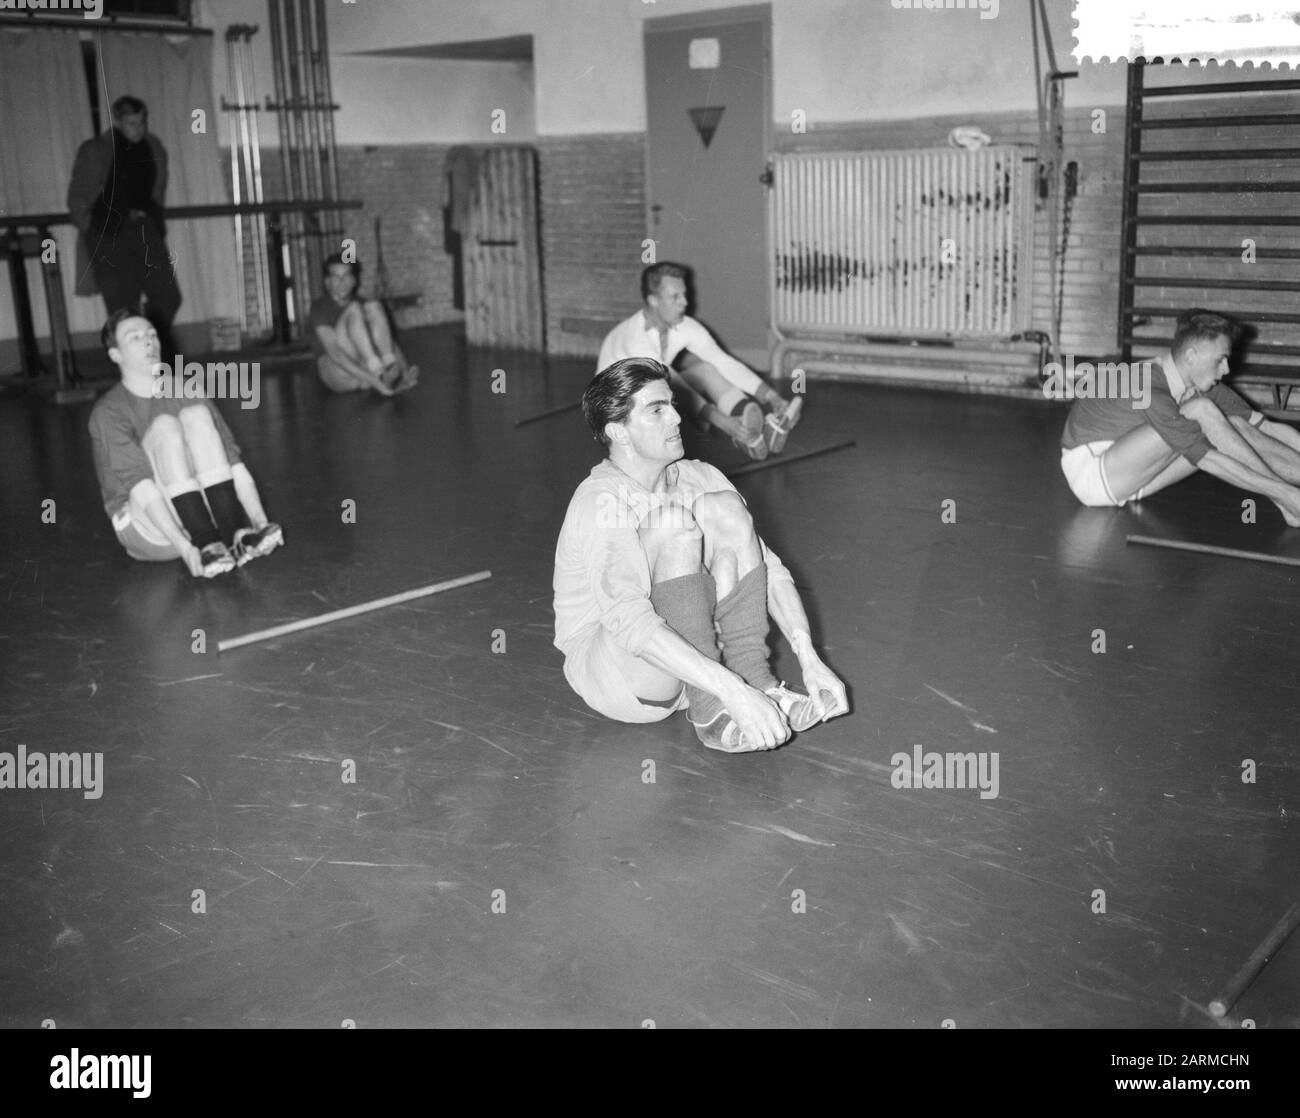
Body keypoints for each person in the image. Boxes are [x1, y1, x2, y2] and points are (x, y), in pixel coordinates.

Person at [553, 357, 848, 753]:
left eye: (672, 404)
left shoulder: (700, 476)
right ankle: (713, 707)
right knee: (674, 523)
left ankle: (755, 680)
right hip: (619, 676)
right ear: (618, 431)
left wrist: (808, 655)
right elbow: (628, 622)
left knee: (724, 507)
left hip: (693, 664)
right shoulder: (600, 501)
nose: (676, 418)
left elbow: (769, 571)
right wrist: (729, 690)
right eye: (656, 410)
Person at [89, 309, 283, 579]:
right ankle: (206, 543)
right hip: (148, 528)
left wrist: (259, 522)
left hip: (194, 513)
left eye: (151, 334)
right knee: (166, 427)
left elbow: (232, 461)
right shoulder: (108, 412)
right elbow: (141, 487)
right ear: (116, 355)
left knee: (196, 415)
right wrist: (184, 547)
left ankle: (231, 536)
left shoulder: (185, 388)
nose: (148, 342)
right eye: (134, 338)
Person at [1060, 309, 1300, 525]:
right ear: (1191, 356)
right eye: (1220, 360)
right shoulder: (1147, 384)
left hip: (1135, 477)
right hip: (1092, 474)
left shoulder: (1204, 384)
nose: (1226, 369)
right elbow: (1209, 460)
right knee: (1201, 411)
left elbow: (1267, 428)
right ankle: (1286, 500)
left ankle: (1287, 500)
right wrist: (1285, 494)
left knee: (1232, 424)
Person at [599, 263, 803, 461]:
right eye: (675, 297)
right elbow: (672, 383)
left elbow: (723, 362)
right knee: (670, 395)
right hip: (617, 412)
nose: (684, 303)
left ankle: (744, 426)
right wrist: (722, 422)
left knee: (706, 370)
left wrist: (771, 396)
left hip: (651, 394)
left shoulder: (682, 325)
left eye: (684, 294)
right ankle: (733, 431)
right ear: (653, 301)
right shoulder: (636, 340)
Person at [68, 96, 182, 360]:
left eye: (142, 122)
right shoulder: (96, 150)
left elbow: (158, 188)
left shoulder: (153, 147)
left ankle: (151, 350)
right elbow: (78, 197)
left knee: (168, 296)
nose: (138, 129)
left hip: (142, 227)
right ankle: (131, 364)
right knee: (122, 306)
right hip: (107, 234)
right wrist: (91, 229)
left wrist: (152, 218)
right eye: (131, 123)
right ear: (118, 122)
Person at [309, 254, 418, 395]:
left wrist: (404, 371)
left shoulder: (363, 303)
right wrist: (376, 383)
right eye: (336, 277)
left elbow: (387, 340)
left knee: (373, 305)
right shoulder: (319, 307)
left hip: (362, 369)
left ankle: (387, 367)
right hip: (337, 372)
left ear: (353, 280)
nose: (342, 282)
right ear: (327, 282)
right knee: (354, 309)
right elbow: (335, 354)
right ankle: (378, 371)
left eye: (346, 276)